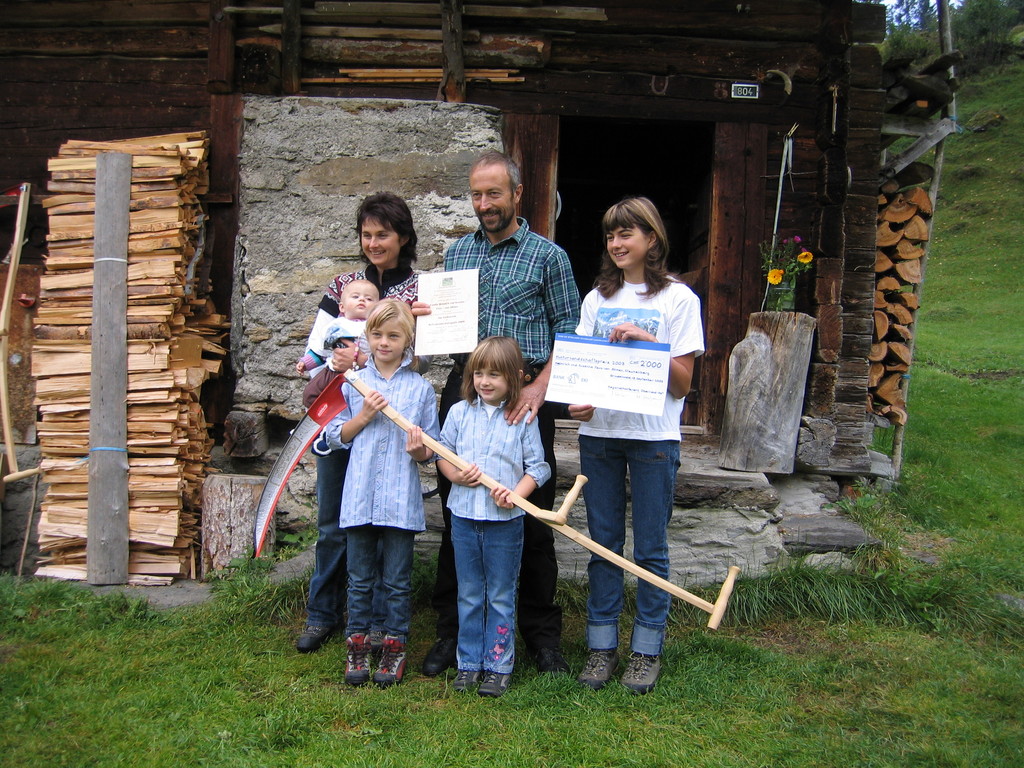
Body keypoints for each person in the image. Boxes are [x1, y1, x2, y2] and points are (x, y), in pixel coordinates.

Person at [417, 151, 580, 677]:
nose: (484, 204)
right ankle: (453, 632)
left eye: (493, 194)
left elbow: (571, 334)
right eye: (476, 195)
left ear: (517, 193)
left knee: (529, 516)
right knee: (458, 509)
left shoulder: (548, 257)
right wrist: (425, 320)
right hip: (465, 391)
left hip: (524, 399)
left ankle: (539, 634)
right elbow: (439, 331)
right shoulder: (457, 254)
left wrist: (538, 389)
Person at [571, 196, 704, 695]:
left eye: (627, 233)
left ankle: (647, 650)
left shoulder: (678, 300)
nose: (617, 243)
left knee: (650, 549)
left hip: (652, 440)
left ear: (652, 238)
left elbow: (683, 385)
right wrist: (580, 405)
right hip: (600, 437)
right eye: (611, 235)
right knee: (603, 545)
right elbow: (584, 367)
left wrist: (649, 343)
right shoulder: (595, 300)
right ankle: (601, 646)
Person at [295, 191, 421, 654]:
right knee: (333, 521)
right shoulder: (343, 284)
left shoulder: (418, 291)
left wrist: (366, 356)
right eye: (366, 235)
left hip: (386, 420)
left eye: (382, 234)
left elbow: (417, 359)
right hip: (340, 408)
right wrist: (337, 356)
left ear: (402, 237)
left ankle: (372, 617)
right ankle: (323, 613)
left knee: (378, 521)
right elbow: (322, 343)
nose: (373, 243)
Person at [315, 300, 440, 688]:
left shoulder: (419, 389)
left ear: (408, 341)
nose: (384, 342)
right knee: (360, 578)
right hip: (359, 496)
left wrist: (420, 449)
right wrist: (364, 415)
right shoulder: (352, 382)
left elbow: (430, 447)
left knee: (398, 579)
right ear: (366, 337)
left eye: (394, 335)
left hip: (400, 500)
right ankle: (357, 644)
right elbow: (333, 436)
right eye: (377, 334)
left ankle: (393, 645)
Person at [436, 337, 551, 698]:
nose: (485, 382)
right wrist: (454, 475)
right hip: (464, 518)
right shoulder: (458, 413)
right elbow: (442, 452)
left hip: (505, 523)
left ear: (515, 378)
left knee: (500, 594)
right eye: (479, 374)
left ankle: (498, 664)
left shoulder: (521, 419)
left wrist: (516, 494)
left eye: (495, 375)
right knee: (469, 592)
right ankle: (469, 663)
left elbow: (539, 467)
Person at [295, 279, 378, 376]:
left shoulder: (375, 327)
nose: (362, 299)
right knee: (311, 390)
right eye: (355, 296)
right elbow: (322, 351)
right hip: (334, 372)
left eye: (369, 299)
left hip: (366, 373)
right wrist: (306, 363)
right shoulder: (336, 326)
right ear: (342, 307)